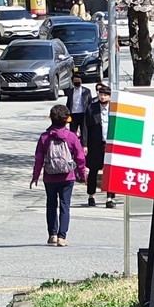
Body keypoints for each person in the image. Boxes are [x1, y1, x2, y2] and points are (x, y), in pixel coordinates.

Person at [31, 104, 87, 247]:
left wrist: (35, 176)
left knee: (51, 204)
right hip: (67, 177)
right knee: (65, 205)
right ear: (67, 119)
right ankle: (62, 237)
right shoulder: (71, 137)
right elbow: (80, 157)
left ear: (50, 118)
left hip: (50, 176)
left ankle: (52, 235)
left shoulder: (44, 137)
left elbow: (38, 158)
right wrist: (82, 174)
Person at [85, 82, 118, 208]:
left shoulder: (115, 109)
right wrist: (84, 144)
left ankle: (110, 198)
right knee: (93, 170)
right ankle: (91, 195)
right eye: (101, 94)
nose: (103, 97)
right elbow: (85, 127)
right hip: (94, 144)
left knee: (109, 171)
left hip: (110, 145)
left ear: (110, 97)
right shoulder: (91, 108)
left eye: (105, 95)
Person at [66, 72, 91, 141]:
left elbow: (90, 103)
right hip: (73, 114)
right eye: (75, 81)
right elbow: (68, 103)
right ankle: (73, 144)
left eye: (78, 81)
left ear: (81, 81)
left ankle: (83, 145)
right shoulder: (70, 91)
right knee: (73, 132)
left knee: (84, 131)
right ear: (72, 82)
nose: (77, 82)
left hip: (83, 114)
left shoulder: (86, 91)